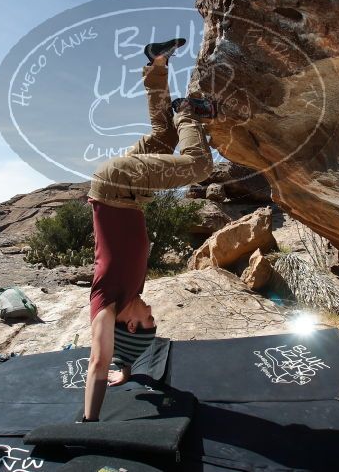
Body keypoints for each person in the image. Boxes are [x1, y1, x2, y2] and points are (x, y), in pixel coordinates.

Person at [82, 38, 216, 422]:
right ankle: (156, 65)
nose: (153, 313)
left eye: (147, 322)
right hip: (118, 188)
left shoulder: (107, 304)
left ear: (127, 323)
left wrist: (90, 423)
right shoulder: (132, 294)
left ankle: (187, 111)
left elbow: (96, 363)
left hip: (119, 188)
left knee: (198, 166)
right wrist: (125, 367)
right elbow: (113, 360)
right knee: (163, 137)